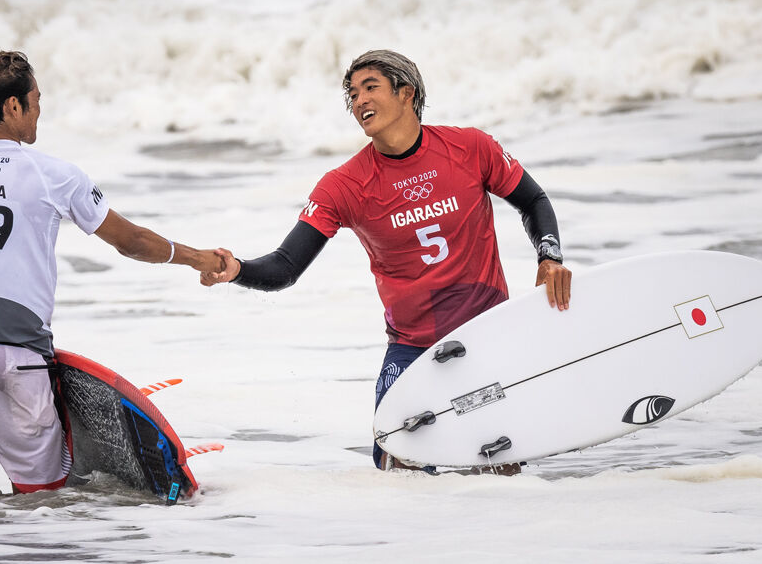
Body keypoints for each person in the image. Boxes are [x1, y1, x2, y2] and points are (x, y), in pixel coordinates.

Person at [202, 50, 572, 473]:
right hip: (413, 348)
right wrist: (238, 270)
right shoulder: (344, 185)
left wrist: (550, 257)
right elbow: (286, 266)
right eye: (352, 94)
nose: (358, 101)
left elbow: (533, 200)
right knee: (399, 481)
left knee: (502, 473)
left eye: (370, 88)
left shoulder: (471, 148)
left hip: (489, 338)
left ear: (406, 94)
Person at [0, 51, 222, 498]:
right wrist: (198, 258)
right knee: (40, 506)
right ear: (13, 107)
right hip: (19, 358)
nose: (40, 111)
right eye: (35, 100)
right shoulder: (52, 173)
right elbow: (130, 241)